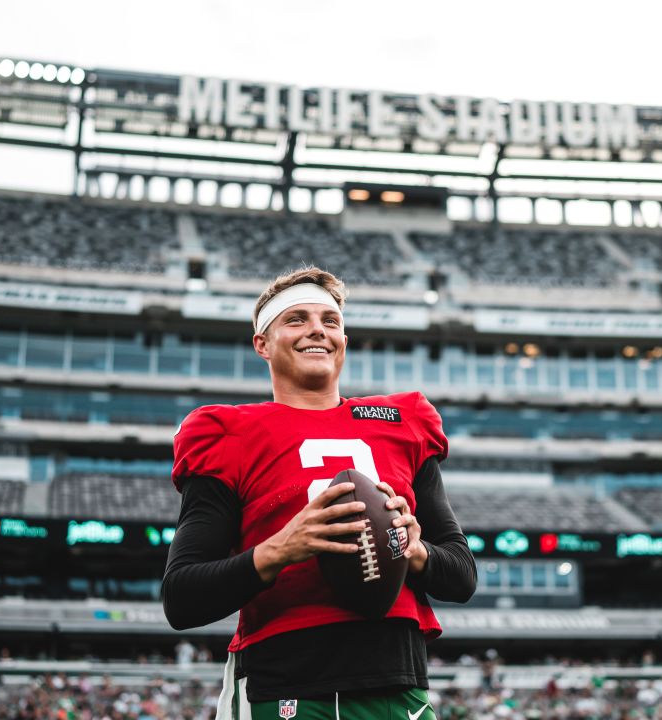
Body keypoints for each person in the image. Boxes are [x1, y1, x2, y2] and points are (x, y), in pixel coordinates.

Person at [162, 267, 477, 720]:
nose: (317, 329)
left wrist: (414, 550)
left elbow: (463, 576)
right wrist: (280, 550)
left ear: (343, 343)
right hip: (286, 684)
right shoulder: (226, 433)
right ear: (262, 344)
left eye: (330, 321)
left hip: (399, 684)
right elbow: (182, 597)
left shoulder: (405, 422)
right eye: (296, 319)